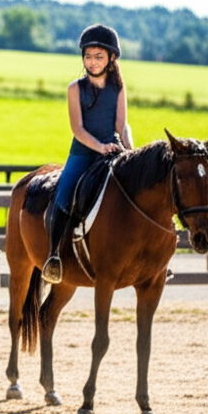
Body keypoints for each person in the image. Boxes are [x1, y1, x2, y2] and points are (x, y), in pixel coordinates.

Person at [42, 24, 134, 284]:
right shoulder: (75, 88)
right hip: (83, 152)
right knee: (63, 195)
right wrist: (100, 147)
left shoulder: (118, 88)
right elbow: (77, 129)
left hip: (113, 151)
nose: (92, 62)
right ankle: (54, 256)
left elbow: (121, 125)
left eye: (99, 57)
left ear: (112, 58)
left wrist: (130, 152)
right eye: (88, 56)